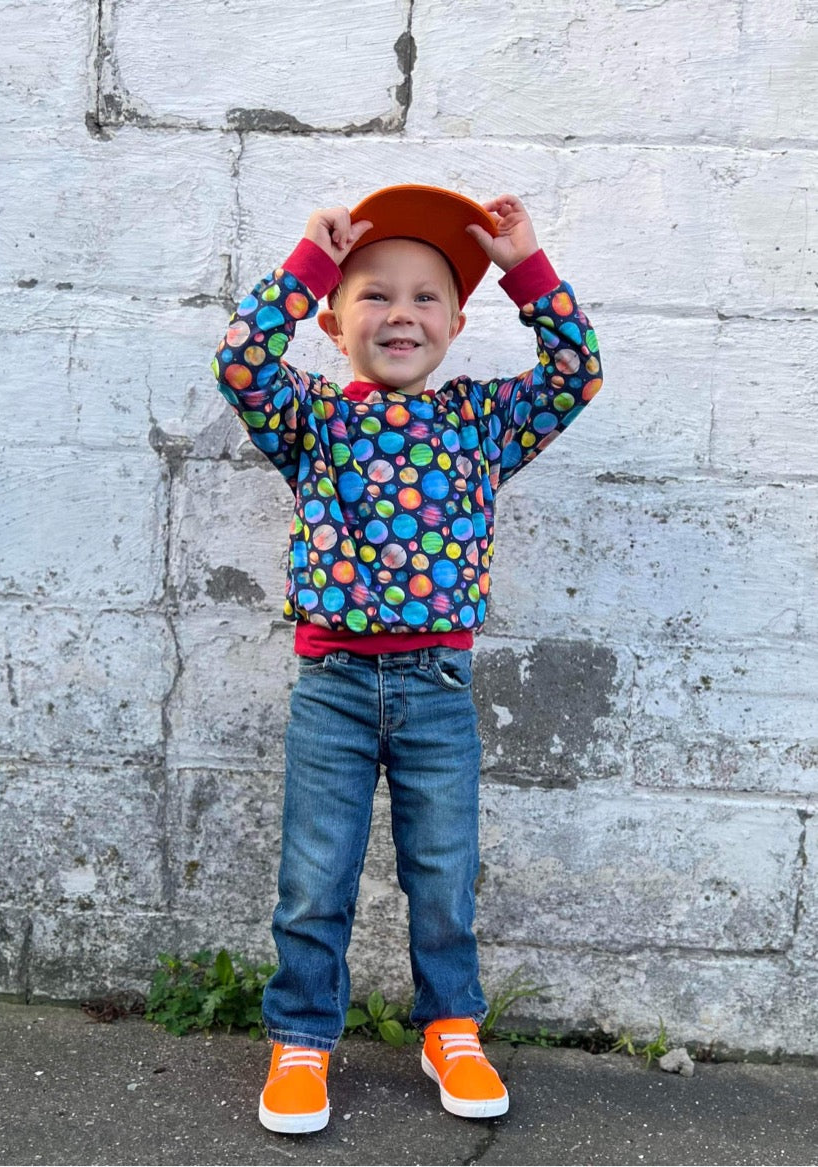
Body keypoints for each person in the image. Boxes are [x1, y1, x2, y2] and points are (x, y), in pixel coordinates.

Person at [211, 185, 603, 1134]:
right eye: (374, 295)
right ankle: (301, 1041)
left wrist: (528, 268)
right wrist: (308, 260)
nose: (400, 314)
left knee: (443, 871)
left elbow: (576, 374)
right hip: (334, 690)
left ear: (459, 321)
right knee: (316, 877)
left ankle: (451, 1029)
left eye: (425, 297)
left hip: (435, 689)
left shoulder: (480, 423)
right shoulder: (312, 420)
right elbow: (241, 364)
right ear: (335, 319)